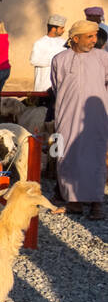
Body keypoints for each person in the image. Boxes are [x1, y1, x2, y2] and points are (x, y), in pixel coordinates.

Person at [50, 20, 108, 219]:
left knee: (96, 158)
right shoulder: (60, 59)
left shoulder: (103, 58)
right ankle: (73, 202)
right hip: (67, 116)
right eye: (89, 36)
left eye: (95, 36)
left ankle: (96, 203)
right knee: (68, 157)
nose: (94, 40)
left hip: (96, 119)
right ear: (75, 39)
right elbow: (57, 86)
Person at [30, 14, 68, 93]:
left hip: (60, 85)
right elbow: (34, 60)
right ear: (54, 29)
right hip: (43, 84)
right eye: (61, 28)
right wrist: (55, 61)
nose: (63, 30)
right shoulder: (40, 43)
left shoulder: (64, 43)